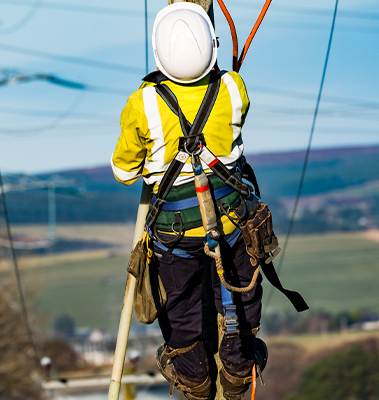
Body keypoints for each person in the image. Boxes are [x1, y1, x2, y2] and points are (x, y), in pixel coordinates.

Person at [110, 3, 266, 400]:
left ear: (158, 53)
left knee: (181, 314)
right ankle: (237, 368)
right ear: (212, 45)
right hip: (232, 226)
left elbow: (124, 172)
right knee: (237, 303)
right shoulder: (232, 87)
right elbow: (235, 125)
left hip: (175, 238)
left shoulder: (142, 103)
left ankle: (195, 381)